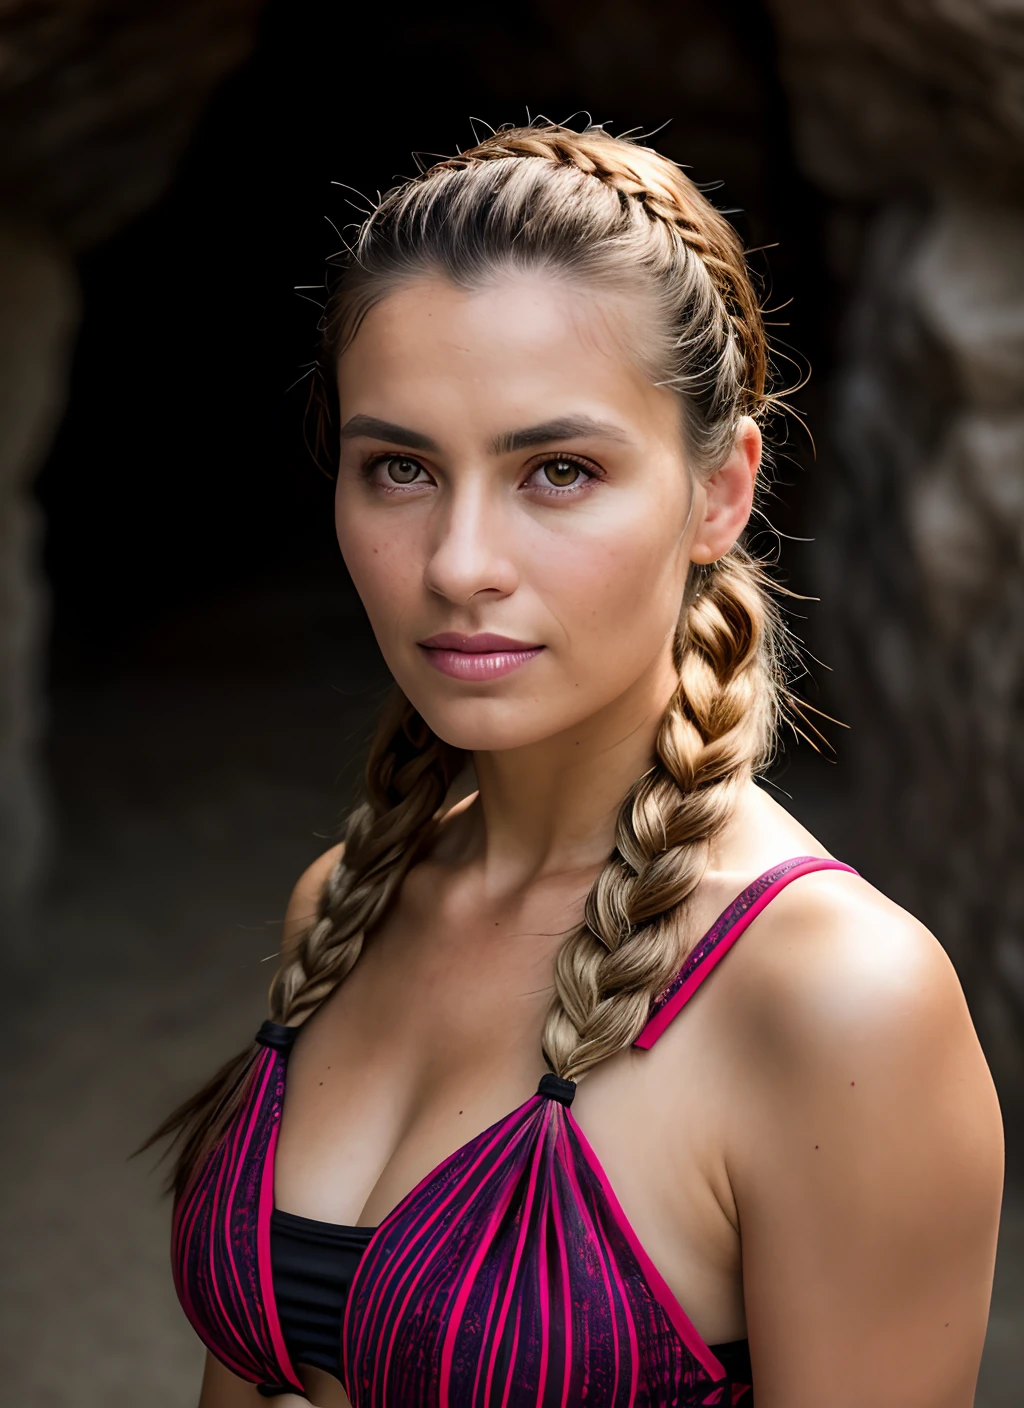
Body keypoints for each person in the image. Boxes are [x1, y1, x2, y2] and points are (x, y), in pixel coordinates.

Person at [153, 123, 1004, 1408]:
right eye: (399, 468)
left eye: (557, 470)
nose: (457, 562)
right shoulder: (346, 900)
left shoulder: (838, 1001)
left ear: (719, 491)